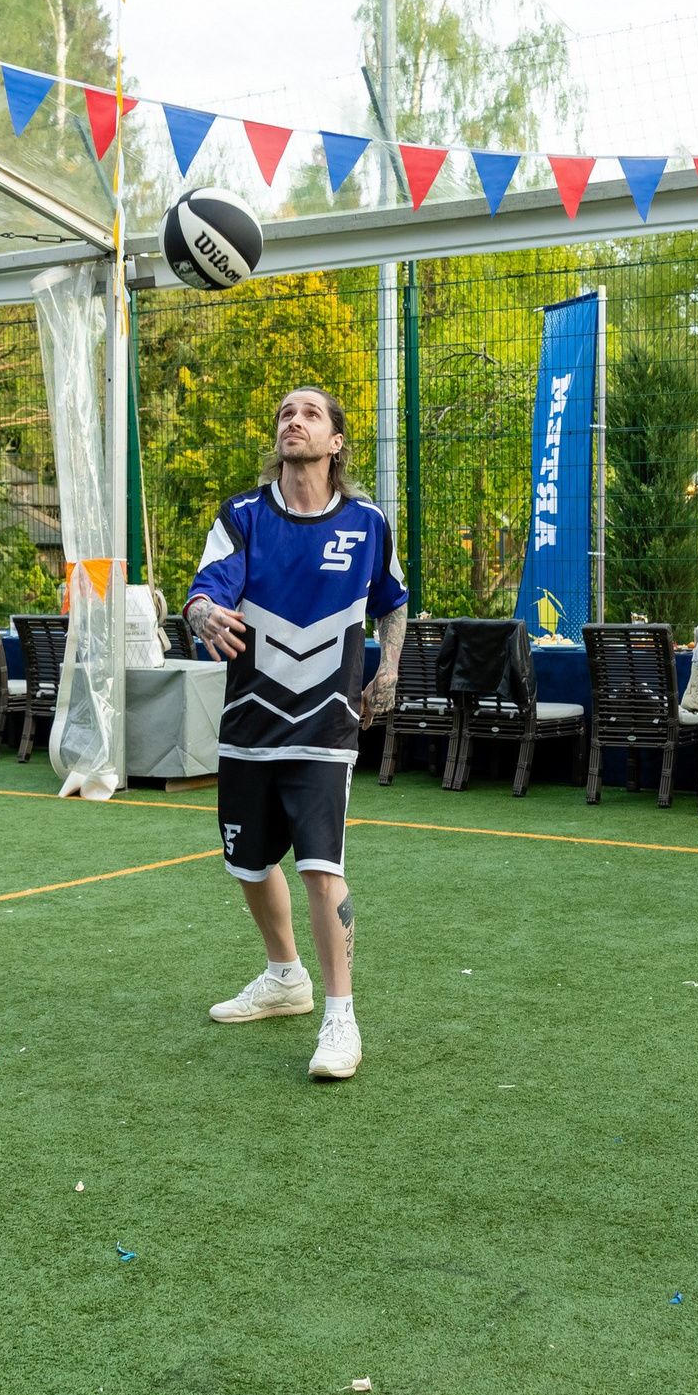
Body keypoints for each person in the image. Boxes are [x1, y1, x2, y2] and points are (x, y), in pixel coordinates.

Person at [183, 386, 407, 1082]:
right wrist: (201, 617)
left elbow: (393, 604)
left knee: (320, 862)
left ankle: (341, 1015)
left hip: (326, 723)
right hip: (248, 722)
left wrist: (390, 668)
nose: (294, 420)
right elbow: (201, 592)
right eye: (284, 411)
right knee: (248, 865)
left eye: (310, 413)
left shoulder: (367, 522)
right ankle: (286, 975)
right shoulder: (243, 516)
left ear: (336, 441)